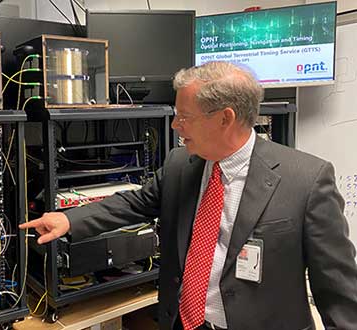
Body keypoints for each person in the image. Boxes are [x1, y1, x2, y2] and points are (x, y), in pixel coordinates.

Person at [19, 62, 357, 330]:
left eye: (185, 117)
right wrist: (68, 218)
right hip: (184, 322)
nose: (175, 126)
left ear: (226, 118)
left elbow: (338, 291)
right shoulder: (182, 163)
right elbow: (136, 203)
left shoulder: (306, 180)